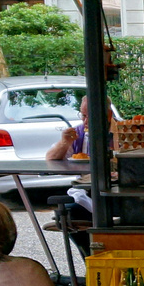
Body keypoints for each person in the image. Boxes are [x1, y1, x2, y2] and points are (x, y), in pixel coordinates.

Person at [45, 94, 96, 260]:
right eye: (83, 115)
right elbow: (51, 158)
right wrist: (65, 143)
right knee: (67, 215)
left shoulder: (121, 132)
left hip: (115, 195)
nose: (86, 121)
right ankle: (90, 259)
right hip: (87, 192)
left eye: (91, 115)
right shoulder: (78, 133)